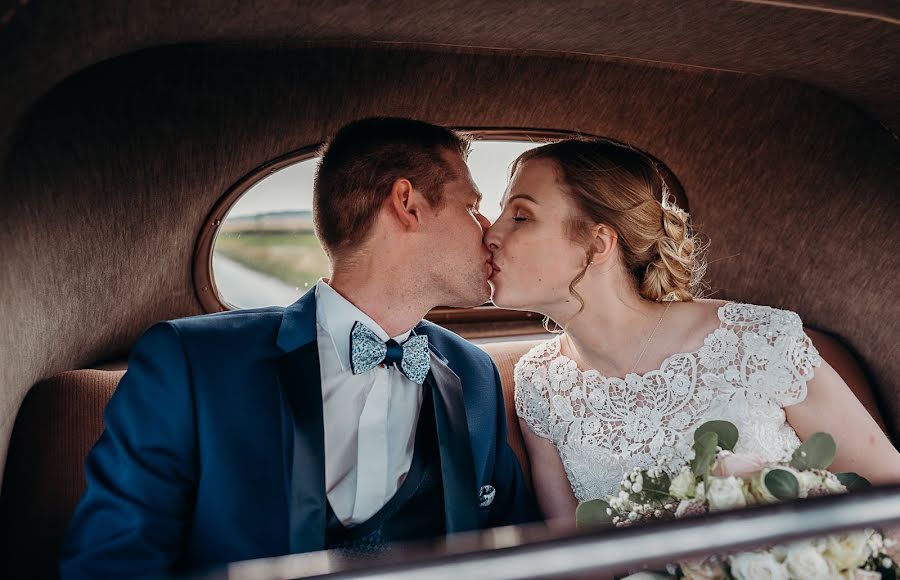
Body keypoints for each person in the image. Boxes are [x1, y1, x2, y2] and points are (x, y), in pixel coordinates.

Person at [61, 117, 537, 578]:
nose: (489, 230)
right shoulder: (192, 364)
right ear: (407, 203)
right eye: (472, 206)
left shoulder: (472, 374)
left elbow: (518, 547)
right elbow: (114, 563)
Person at [483, 138, 900, 525]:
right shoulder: (539, 383)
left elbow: (889, 491)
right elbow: (580, 560)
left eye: (520, 216)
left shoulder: (756, 339)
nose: (491, 233)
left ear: (598, 244)